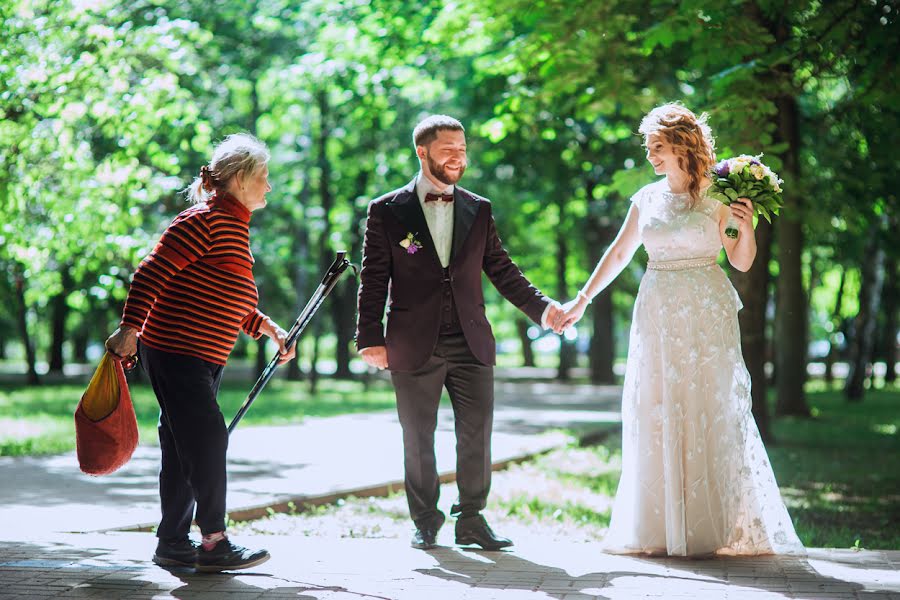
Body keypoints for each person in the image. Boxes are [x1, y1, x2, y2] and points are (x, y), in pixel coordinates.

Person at [553, 103, 804, 556]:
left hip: (706, 311)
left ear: (682, 146)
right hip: (657, 310)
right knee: (657, 407)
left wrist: (744, 228)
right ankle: (658, 527)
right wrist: (582, 299)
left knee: (709, 407)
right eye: (649, 148)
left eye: (657, 147)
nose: (650, 156)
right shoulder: (647, 198)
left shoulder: (721, 197)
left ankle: (710, 527)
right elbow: (618, 253)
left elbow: (741, 261)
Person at [355, 115, 562, 550]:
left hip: (471, 339)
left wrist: (543, 311)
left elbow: (503, 270)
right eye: (448, 148)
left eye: (462, 149)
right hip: (412, 341)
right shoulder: (387, 210)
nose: (458, 156)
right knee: (417, 434)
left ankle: (471, 517)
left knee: (476, 431)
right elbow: (374, 277)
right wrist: (369, 337)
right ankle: (425, 519)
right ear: (422, 151)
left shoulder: (478, 208)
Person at [105, 133, 296, 572]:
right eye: (264, 177)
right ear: (241, 179)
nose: (269, 187)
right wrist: (130, 327)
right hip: (176, 350)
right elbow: (150, 272)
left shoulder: (232, 227)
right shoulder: (202, 220)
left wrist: (265, 328)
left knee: (183, 446)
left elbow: (224, 297)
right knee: (209, 439)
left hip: (203, 355)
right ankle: (214, 542)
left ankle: (173, 541)